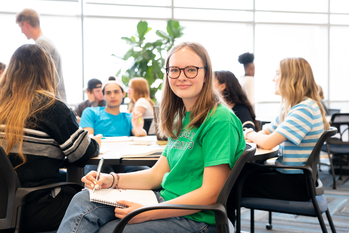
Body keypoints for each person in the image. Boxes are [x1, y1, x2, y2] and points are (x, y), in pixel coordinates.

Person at [57, 42, 245, 233]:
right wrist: (112, 179)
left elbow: (211, 194)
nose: (181, 77)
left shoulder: (220, 119)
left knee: (109, 230)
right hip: (164, 201)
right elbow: (156, 174)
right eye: (175, 70)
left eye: (191, 70)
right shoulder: (181, 116)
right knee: (83, 199)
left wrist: (150, 212)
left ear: (206, 74)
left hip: (197, 219)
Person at [0, 44, 101, 232]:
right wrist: (94, 142)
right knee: (94, 200)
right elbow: (82, 154)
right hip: (31, 209)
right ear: (47, 72)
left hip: (3, 208)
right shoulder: (52, 107)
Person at [227, 57, 330, 224]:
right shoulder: (292, 106)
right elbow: (267, 131)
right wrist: (254, 134)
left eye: (277, 74)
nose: (273, 79)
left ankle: (222, 227)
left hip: (296, 183)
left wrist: (248, 133)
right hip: (292, 175)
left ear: (291, 79)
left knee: (230, 182)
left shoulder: (304, 110)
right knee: (238, 173)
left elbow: (267, 142)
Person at [81, 76, 148, 174]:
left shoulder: (129, 117)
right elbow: (88, 140)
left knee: (151, 175)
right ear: (103, 96)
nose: (112, 96)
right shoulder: (90, 113)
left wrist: (138, 129)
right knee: (101, 176)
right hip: (99, 160)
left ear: (123, 94)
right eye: (108, 93)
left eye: (116, 92)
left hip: (125, 161)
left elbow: (140, 134)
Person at [16, 8, 67, 102]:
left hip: (52, 100)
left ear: (26, 24)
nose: (21, 31)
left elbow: (42, 76)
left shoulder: (42, 44)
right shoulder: (44, 41)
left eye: (20, 27)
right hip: (54, 98)